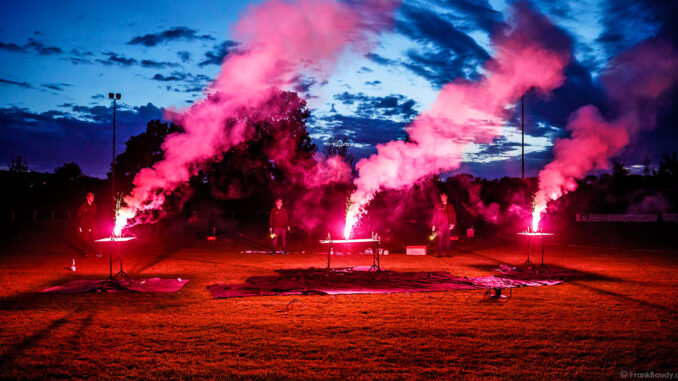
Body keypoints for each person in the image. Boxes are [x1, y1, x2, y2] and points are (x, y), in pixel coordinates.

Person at [431, 193, 456, 258]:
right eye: (441, 197)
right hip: (440, 226)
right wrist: (433, 225)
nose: (442, 198)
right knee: (440, 240)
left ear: (446, 197)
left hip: (448, 225)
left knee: (447, 240)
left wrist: (453, 224)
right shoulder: (438, 205)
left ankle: (448, 254)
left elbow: (453, 215)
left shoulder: (451, 206)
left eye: (444, 197)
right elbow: (435, 216)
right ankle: (439, 254)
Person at [77, 192, 98, 257]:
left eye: (93, 196)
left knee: (95, 237)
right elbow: (79, 214)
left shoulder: (94, 205)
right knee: (86, 239)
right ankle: (85, 252)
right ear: (87, 198)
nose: (93, 198)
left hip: (92, 224)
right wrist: (80, 225)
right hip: (85, 225)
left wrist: (87, 211)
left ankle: (97, 252)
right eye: (91, 196)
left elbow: (93, 213)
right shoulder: (83, 206)